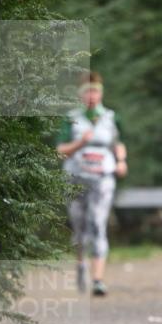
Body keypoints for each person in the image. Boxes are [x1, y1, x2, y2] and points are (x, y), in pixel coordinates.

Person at [56, 72, 128, 296]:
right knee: (79, 227)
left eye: (95, 91)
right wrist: (80, 143)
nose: (91, 95)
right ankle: (80, 265)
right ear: (80, 95)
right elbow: (60, 151)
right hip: (75, 179)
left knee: (97, 223)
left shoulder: (110, 117)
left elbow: (118, 143)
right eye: (87, 91)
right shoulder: (71, 118)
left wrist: (121, 161)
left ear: (100, 93)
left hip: (102, 179)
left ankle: (98, 280)